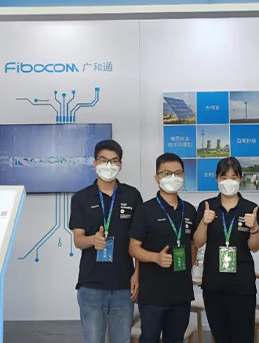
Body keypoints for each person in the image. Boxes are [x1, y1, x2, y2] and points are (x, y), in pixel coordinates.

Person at [69, 140, 143, 343]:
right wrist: (92, 240)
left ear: (120, 165)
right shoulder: (81, 198)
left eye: (114, 161)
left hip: (124, 285)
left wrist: (137, 274)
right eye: (103, 160)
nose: (109, 165)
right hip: (91, 285)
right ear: (95, 164)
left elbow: (139, 241)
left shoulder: (132, 196)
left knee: (122, 339)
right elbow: (78, 240)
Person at [129, 153, 197, 343]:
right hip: (153, 294)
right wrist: (155, 258)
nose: (173, 178)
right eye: (166, 173)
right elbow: (133, 248)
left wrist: (188, 266)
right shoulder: (145, 210)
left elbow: (193, 243)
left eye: (177, 173)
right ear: (157, 178)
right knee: (149, 338)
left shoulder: (189, 210)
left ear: (183, 177)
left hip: (181, 293)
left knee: (175, 339)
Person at [193, 157, 259, 343]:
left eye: (233, 177)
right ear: (217, 179)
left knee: (243, 337)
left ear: (240, 179)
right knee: (220, 336)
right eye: (224, 177)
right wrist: (204, 222)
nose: (229, 182)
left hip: (242, 285)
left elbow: (255, 247)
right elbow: (198, 242)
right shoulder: (207, 206)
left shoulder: (250, 208)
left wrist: (254, 227)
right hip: (213, 284)